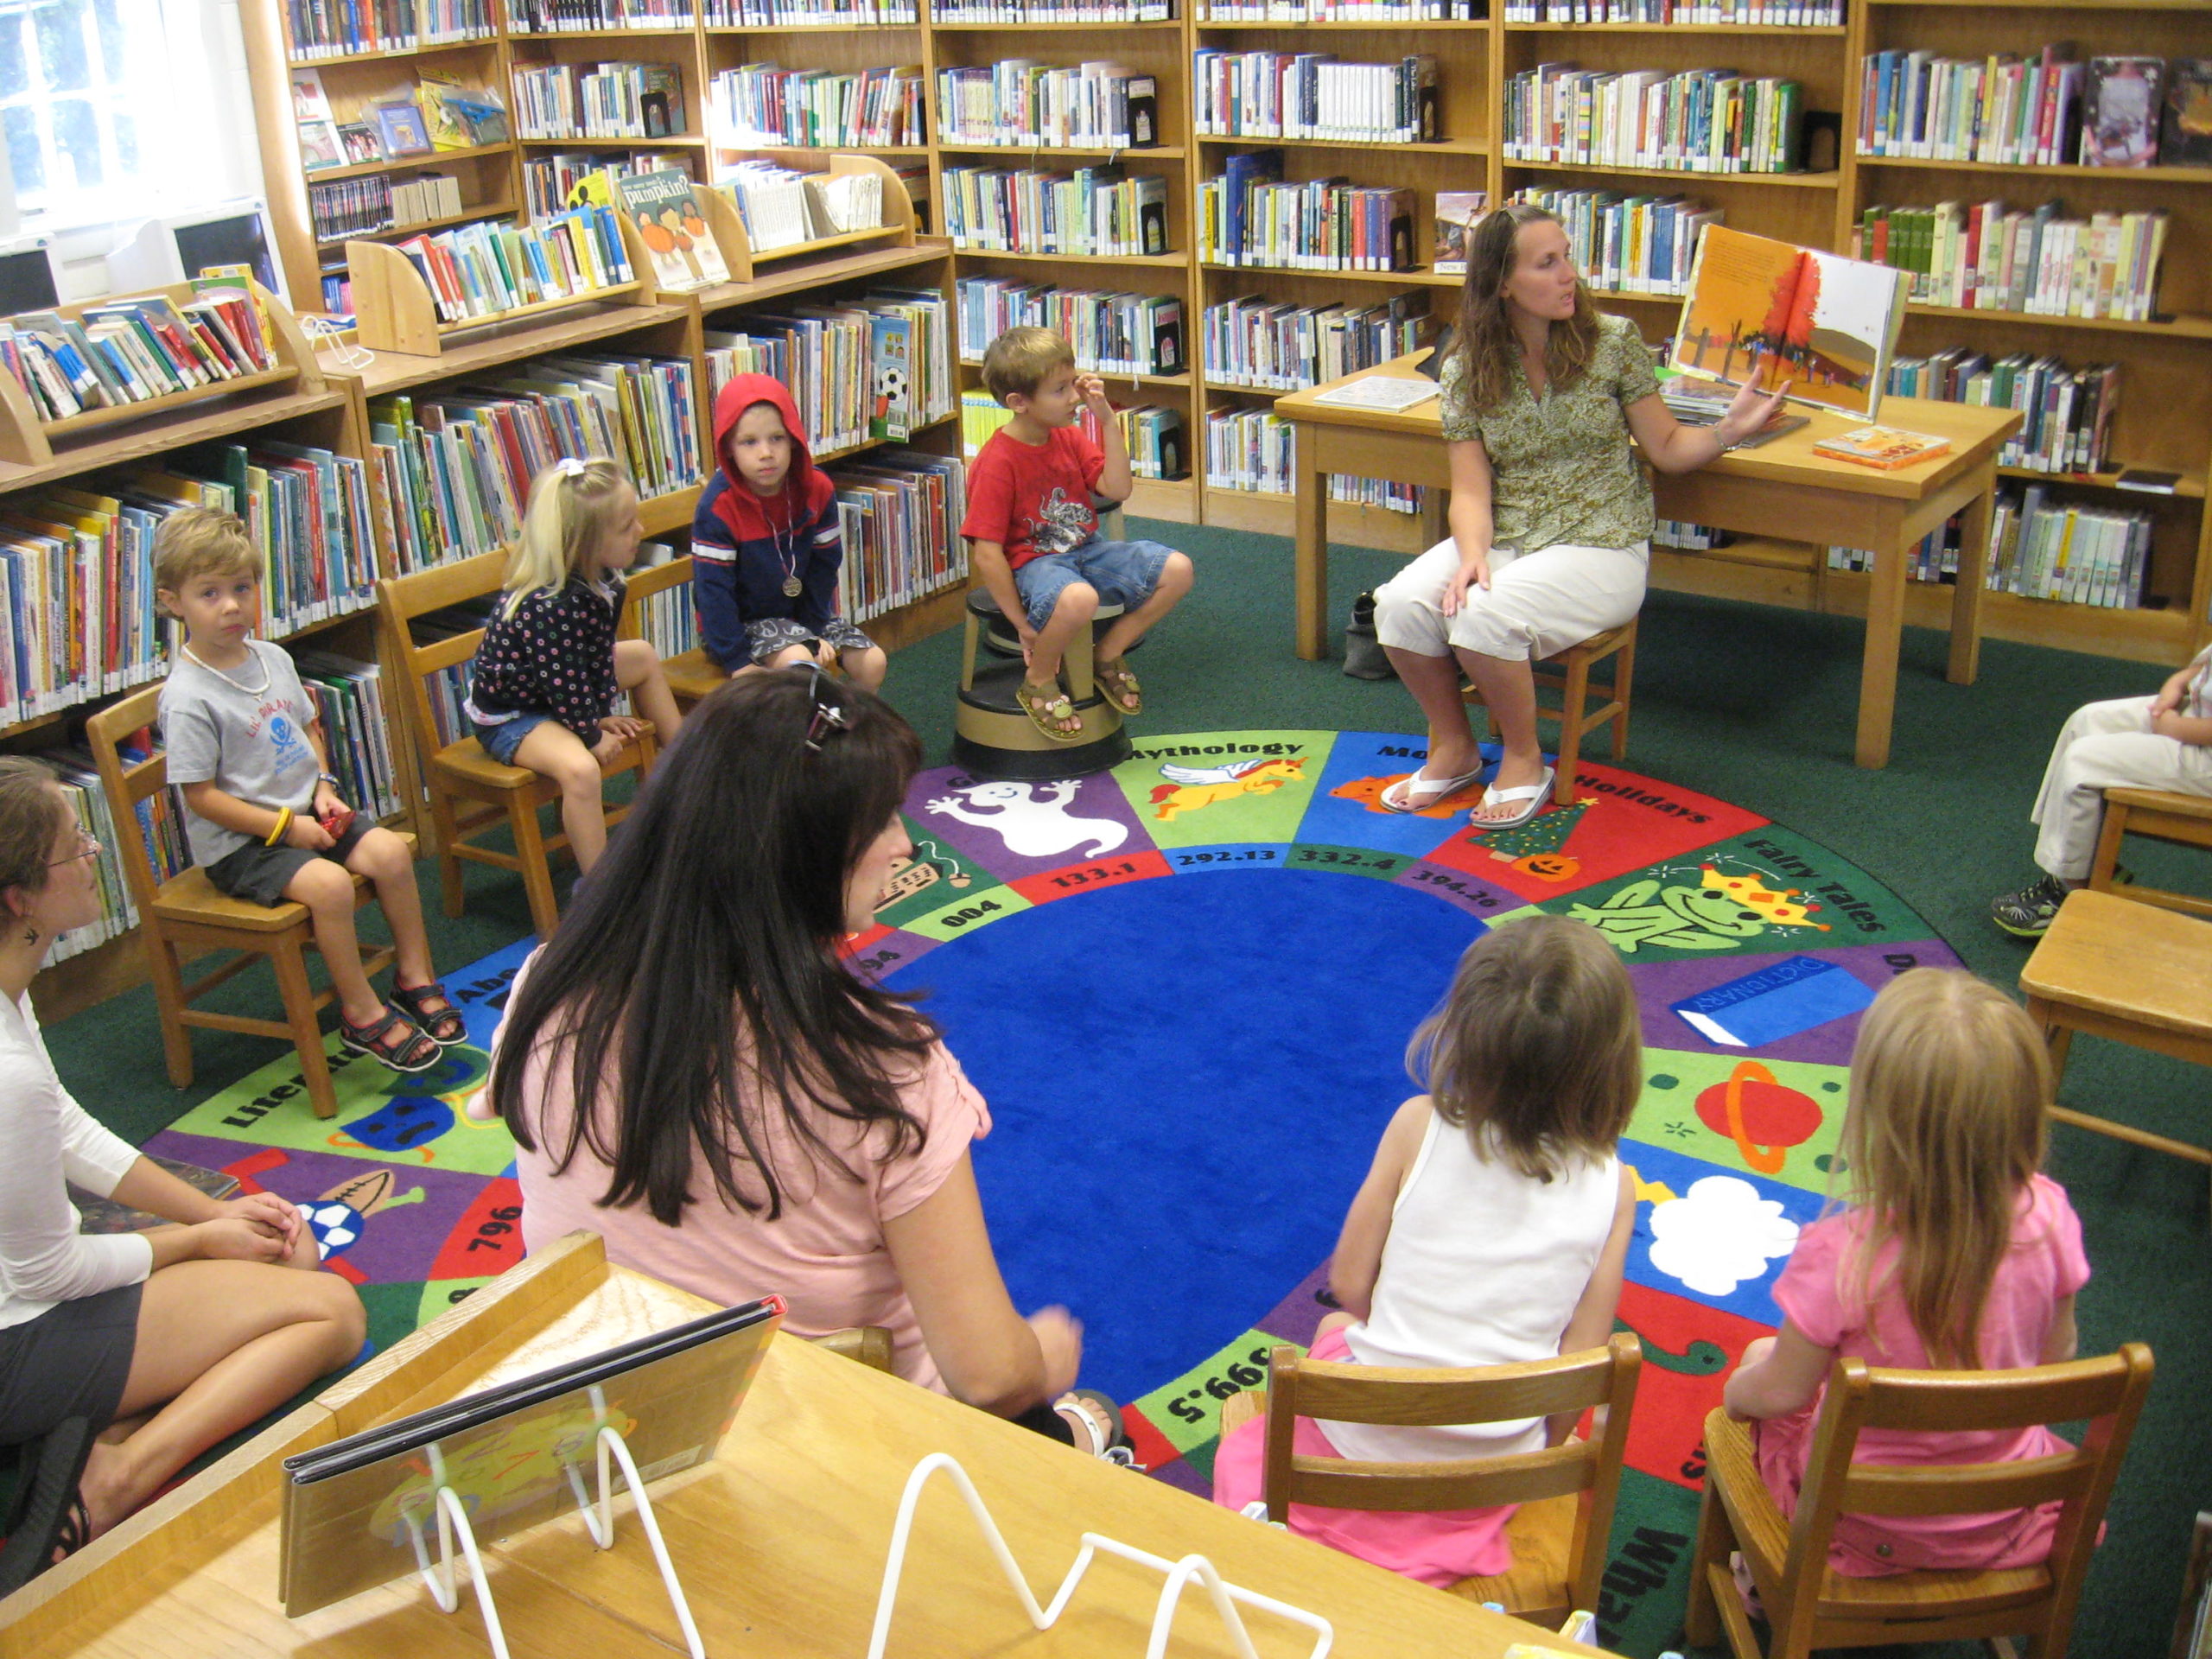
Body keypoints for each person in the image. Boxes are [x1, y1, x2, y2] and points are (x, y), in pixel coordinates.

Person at [477, 670, 1125, 1456]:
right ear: (797, 857)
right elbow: (988, 1376)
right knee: (1044, 1400)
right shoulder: (879, 1070)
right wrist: (1044, 1358)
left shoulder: (549, 978)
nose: (902, 843)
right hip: (828, 1438)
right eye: (877, 823)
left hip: (615, 1412)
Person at [0, 758, 365, 1551]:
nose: (95, 855)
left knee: (274, 1251)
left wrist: (215, 1213)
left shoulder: (9, 995)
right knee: (331, 1312)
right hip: (15, 1338)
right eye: (75, 848)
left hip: (21, 1297)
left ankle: (101, 1420)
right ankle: (113, 1480)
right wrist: (199, 1241)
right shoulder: (7, 1073)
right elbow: (45, 1277)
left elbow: (63, 1127)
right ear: (20, 899)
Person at [1212, 915, 1640, 1586]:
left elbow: (1351, 1283)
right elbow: (1581, 1362)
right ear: (1612, 1061)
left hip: (1360, 1441)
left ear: (1463, 1033)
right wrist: (1527, 1459)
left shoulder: (1418, 1126)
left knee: (1332, 1328)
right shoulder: (1616, 1186)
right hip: (1491, 1468)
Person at [1372, 202, 1784, 828]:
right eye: (1548, 263)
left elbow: (1669, 449)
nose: (1570, 275)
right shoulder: (1465, 367)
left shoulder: (1613, 342)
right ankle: (1453, 747)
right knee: (1399, 604)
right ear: (1502, 283)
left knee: (1485, 615)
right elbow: (1471, 490)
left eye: (1567, 257)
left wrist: (1729, 430)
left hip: (1603, 540)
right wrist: (1475, 552)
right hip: (1511, 531)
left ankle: (1522, 758)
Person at [1724, 969, 2089, 1580]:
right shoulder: (2051, 1216)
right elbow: (2059, 1351)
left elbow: (1782, 1394)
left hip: (1857, 1523)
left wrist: (1736, 1395)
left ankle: (1764, 1583)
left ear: (1879, 1121)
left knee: (1756, 1368)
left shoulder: (1845, 1255)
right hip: (2001, 1504)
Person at [155, 508, 464, 1074]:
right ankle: (361, 1012)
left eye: (242, 589)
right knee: (330, 888)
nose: (231, 606)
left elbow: (307, 729)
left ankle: (413, 976)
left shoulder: (271, 657)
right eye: (210, 593)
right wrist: (283, 828)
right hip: (245, 845)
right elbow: (199, 797)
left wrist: (322, 784)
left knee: (393, 852)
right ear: (173, 602)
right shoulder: (187, 697)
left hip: (307, 813)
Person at [963, 325, 1194, 743]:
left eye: (1073, 383)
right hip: (1035, 564)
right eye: (1060, 390)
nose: (1074, 397)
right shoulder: (996, 463)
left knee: (1178, 569)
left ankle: (1107, 653)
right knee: (1080, 598)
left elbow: (1118, 489)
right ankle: (1038, 677)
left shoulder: (1067, 436)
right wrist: (1022, 624)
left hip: (1087, 549)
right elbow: (988, 554)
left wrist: (1106, 419)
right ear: (1019, 403)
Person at [467, 456, 685, 875]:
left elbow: (596, 656)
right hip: (514, 716)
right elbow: (561, 681)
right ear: (583, 542)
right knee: (582, 770)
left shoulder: (605, 581)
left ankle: (689, 774)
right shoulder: (551, 605)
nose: (640, 532)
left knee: (640, 655)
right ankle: (599, 891)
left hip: (558, 695)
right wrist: (589, 732)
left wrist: (600, 711)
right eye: (625, 527)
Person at [1990, 642, 2212, 935]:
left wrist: (2171, 727)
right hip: (2192, 718)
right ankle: (2086, 859)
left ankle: (2074, 886)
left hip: (2204, 755)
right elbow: (2200, 670)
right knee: (2086, 721)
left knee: (2083, 761)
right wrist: (2175, 686)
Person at [689, 372, 887, 692]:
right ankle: (800, 740)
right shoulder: (718, 508)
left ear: (794, 439)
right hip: (736, 629)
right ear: (728, 448)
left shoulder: (817, 488)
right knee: (800, 664)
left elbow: (825, 568)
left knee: (873, 662)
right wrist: (737, 662)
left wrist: (811, 629)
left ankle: (845, 735)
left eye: (777, 438)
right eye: (749, 442)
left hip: (804, 615)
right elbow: (713, 594)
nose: (766, 453)